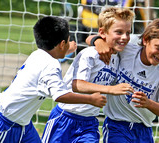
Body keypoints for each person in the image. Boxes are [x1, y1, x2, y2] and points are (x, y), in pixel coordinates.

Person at [0, 16, 107, 143]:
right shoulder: (51, 65)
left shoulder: (37, 54)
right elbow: (60, 95)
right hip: (5, 124)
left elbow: (49, 60)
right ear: (61, 44)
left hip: (23, 124)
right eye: (68, 41)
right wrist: (90, 99)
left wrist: (65, 50)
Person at [41, 7, 135, 143]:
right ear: (102, 32)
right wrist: (111, 90)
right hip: (64, 117)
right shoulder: (89, 54)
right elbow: (77, 85)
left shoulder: (119, 57)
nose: (125, 37)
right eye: (119, 32)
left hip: (89, 123)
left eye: (128, 33)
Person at [86, 17, 159, 142]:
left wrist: (148, 103)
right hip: (117, 125)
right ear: (146, 39)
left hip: (144, 130)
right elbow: (89, 38)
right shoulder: (126, 51)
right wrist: (98, 42)